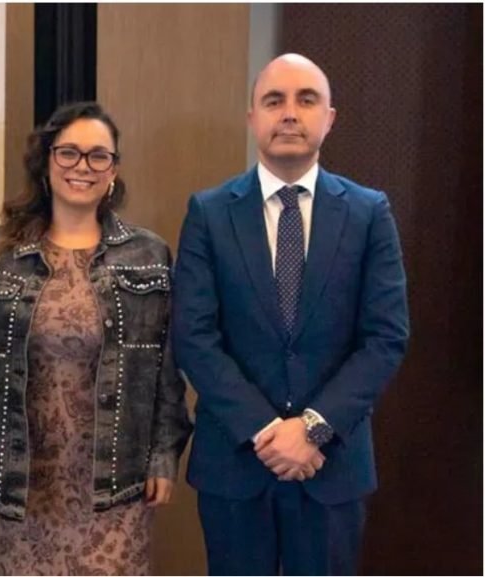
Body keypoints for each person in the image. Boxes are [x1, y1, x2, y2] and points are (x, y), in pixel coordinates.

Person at [172, 53, 410, 575]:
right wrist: (265, 429)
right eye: (273, 100)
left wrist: (313, 429)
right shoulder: (209, 213)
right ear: (252, 117)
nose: (289, 113)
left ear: (329, 117)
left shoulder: (369, 212)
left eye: (306, 100)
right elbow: (193, 336)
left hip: (332, 465)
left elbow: (385, 337)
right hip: (235, 463)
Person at [0, 101, 192, 575]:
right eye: (68, 153)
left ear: (113, 171)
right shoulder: (0, 252)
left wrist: (163, 457)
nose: (82, 166)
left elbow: (166, 367)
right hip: (27, 474)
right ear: (46, 163)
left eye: (98, 156)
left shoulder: (147, 254)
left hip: (118, 475)